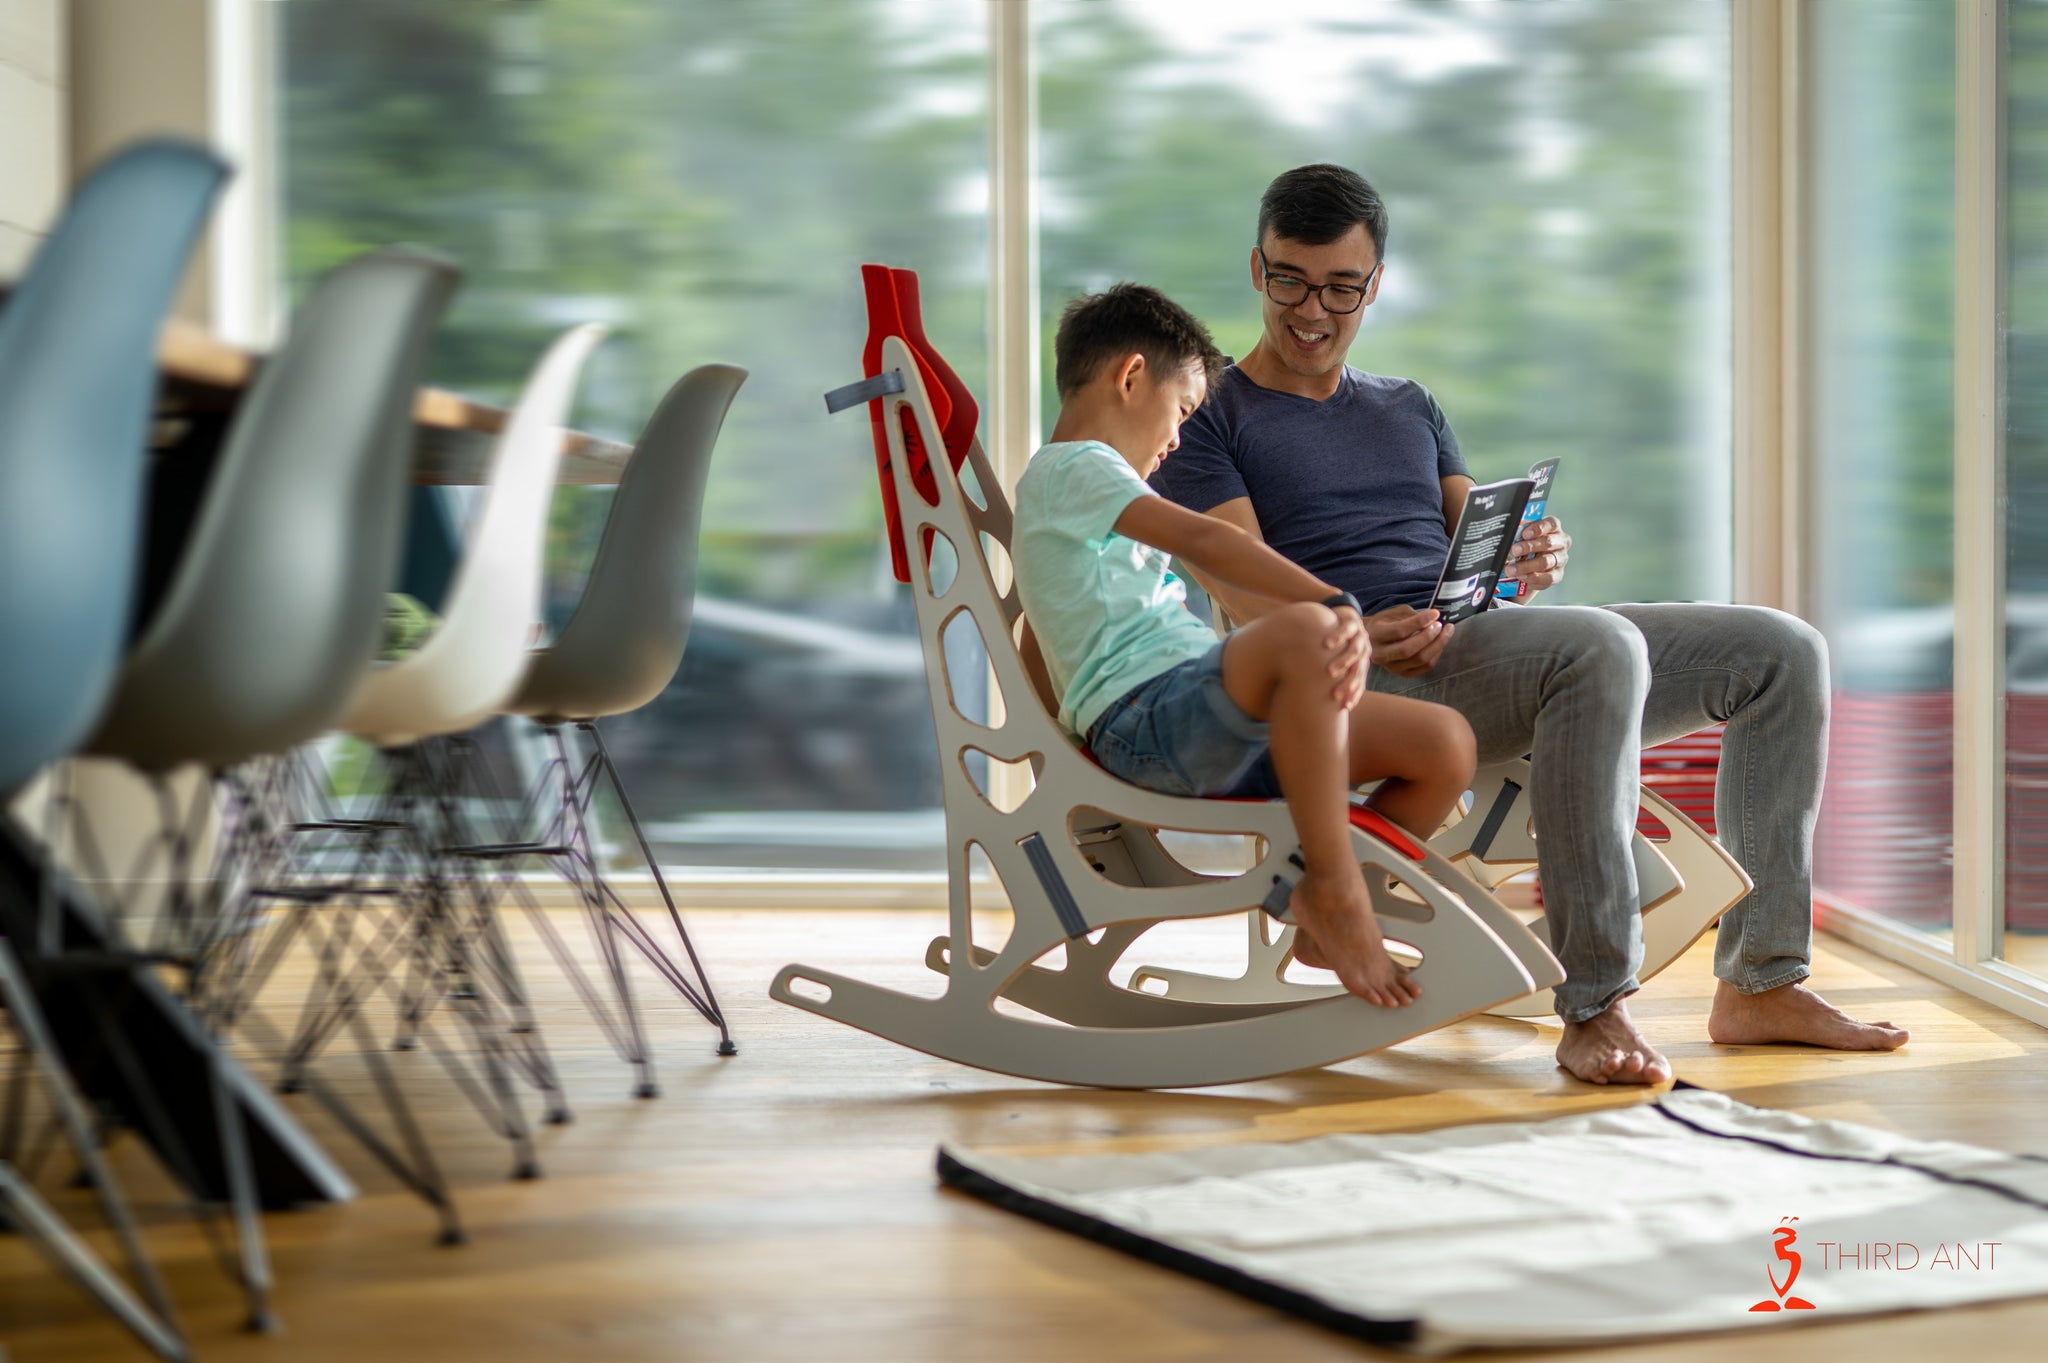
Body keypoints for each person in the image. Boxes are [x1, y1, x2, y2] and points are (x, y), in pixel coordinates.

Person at [1150, 163, 1911, 1084]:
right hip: (1351, 674)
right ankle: (1596, 1001)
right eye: (1290, 280)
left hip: (1470, 646)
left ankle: (1761, 979)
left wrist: (1528, 561)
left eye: (1341, 287)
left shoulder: (1409, 404)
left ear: (1374, 285)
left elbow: (1487, 550)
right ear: (1257, 269)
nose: (1313, 310)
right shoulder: (1211, 420)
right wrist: (1352, 624)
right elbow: (1242, 593)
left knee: (1784, 651)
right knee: (1599, 646)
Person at [1011, 283, 1478, 1008]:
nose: (1175, 440)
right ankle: (1335, 886)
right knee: (1304, 631)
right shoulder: (1075, 465)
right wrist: (1332, 604)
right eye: (1183, 411)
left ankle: (1320, 914)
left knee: (1443, 743)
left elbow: (1035, 639)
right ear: (1130, 377)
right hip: (1150, 722)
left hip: (1191, 718)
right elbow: (1207, 537)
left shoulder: (1072, 502)